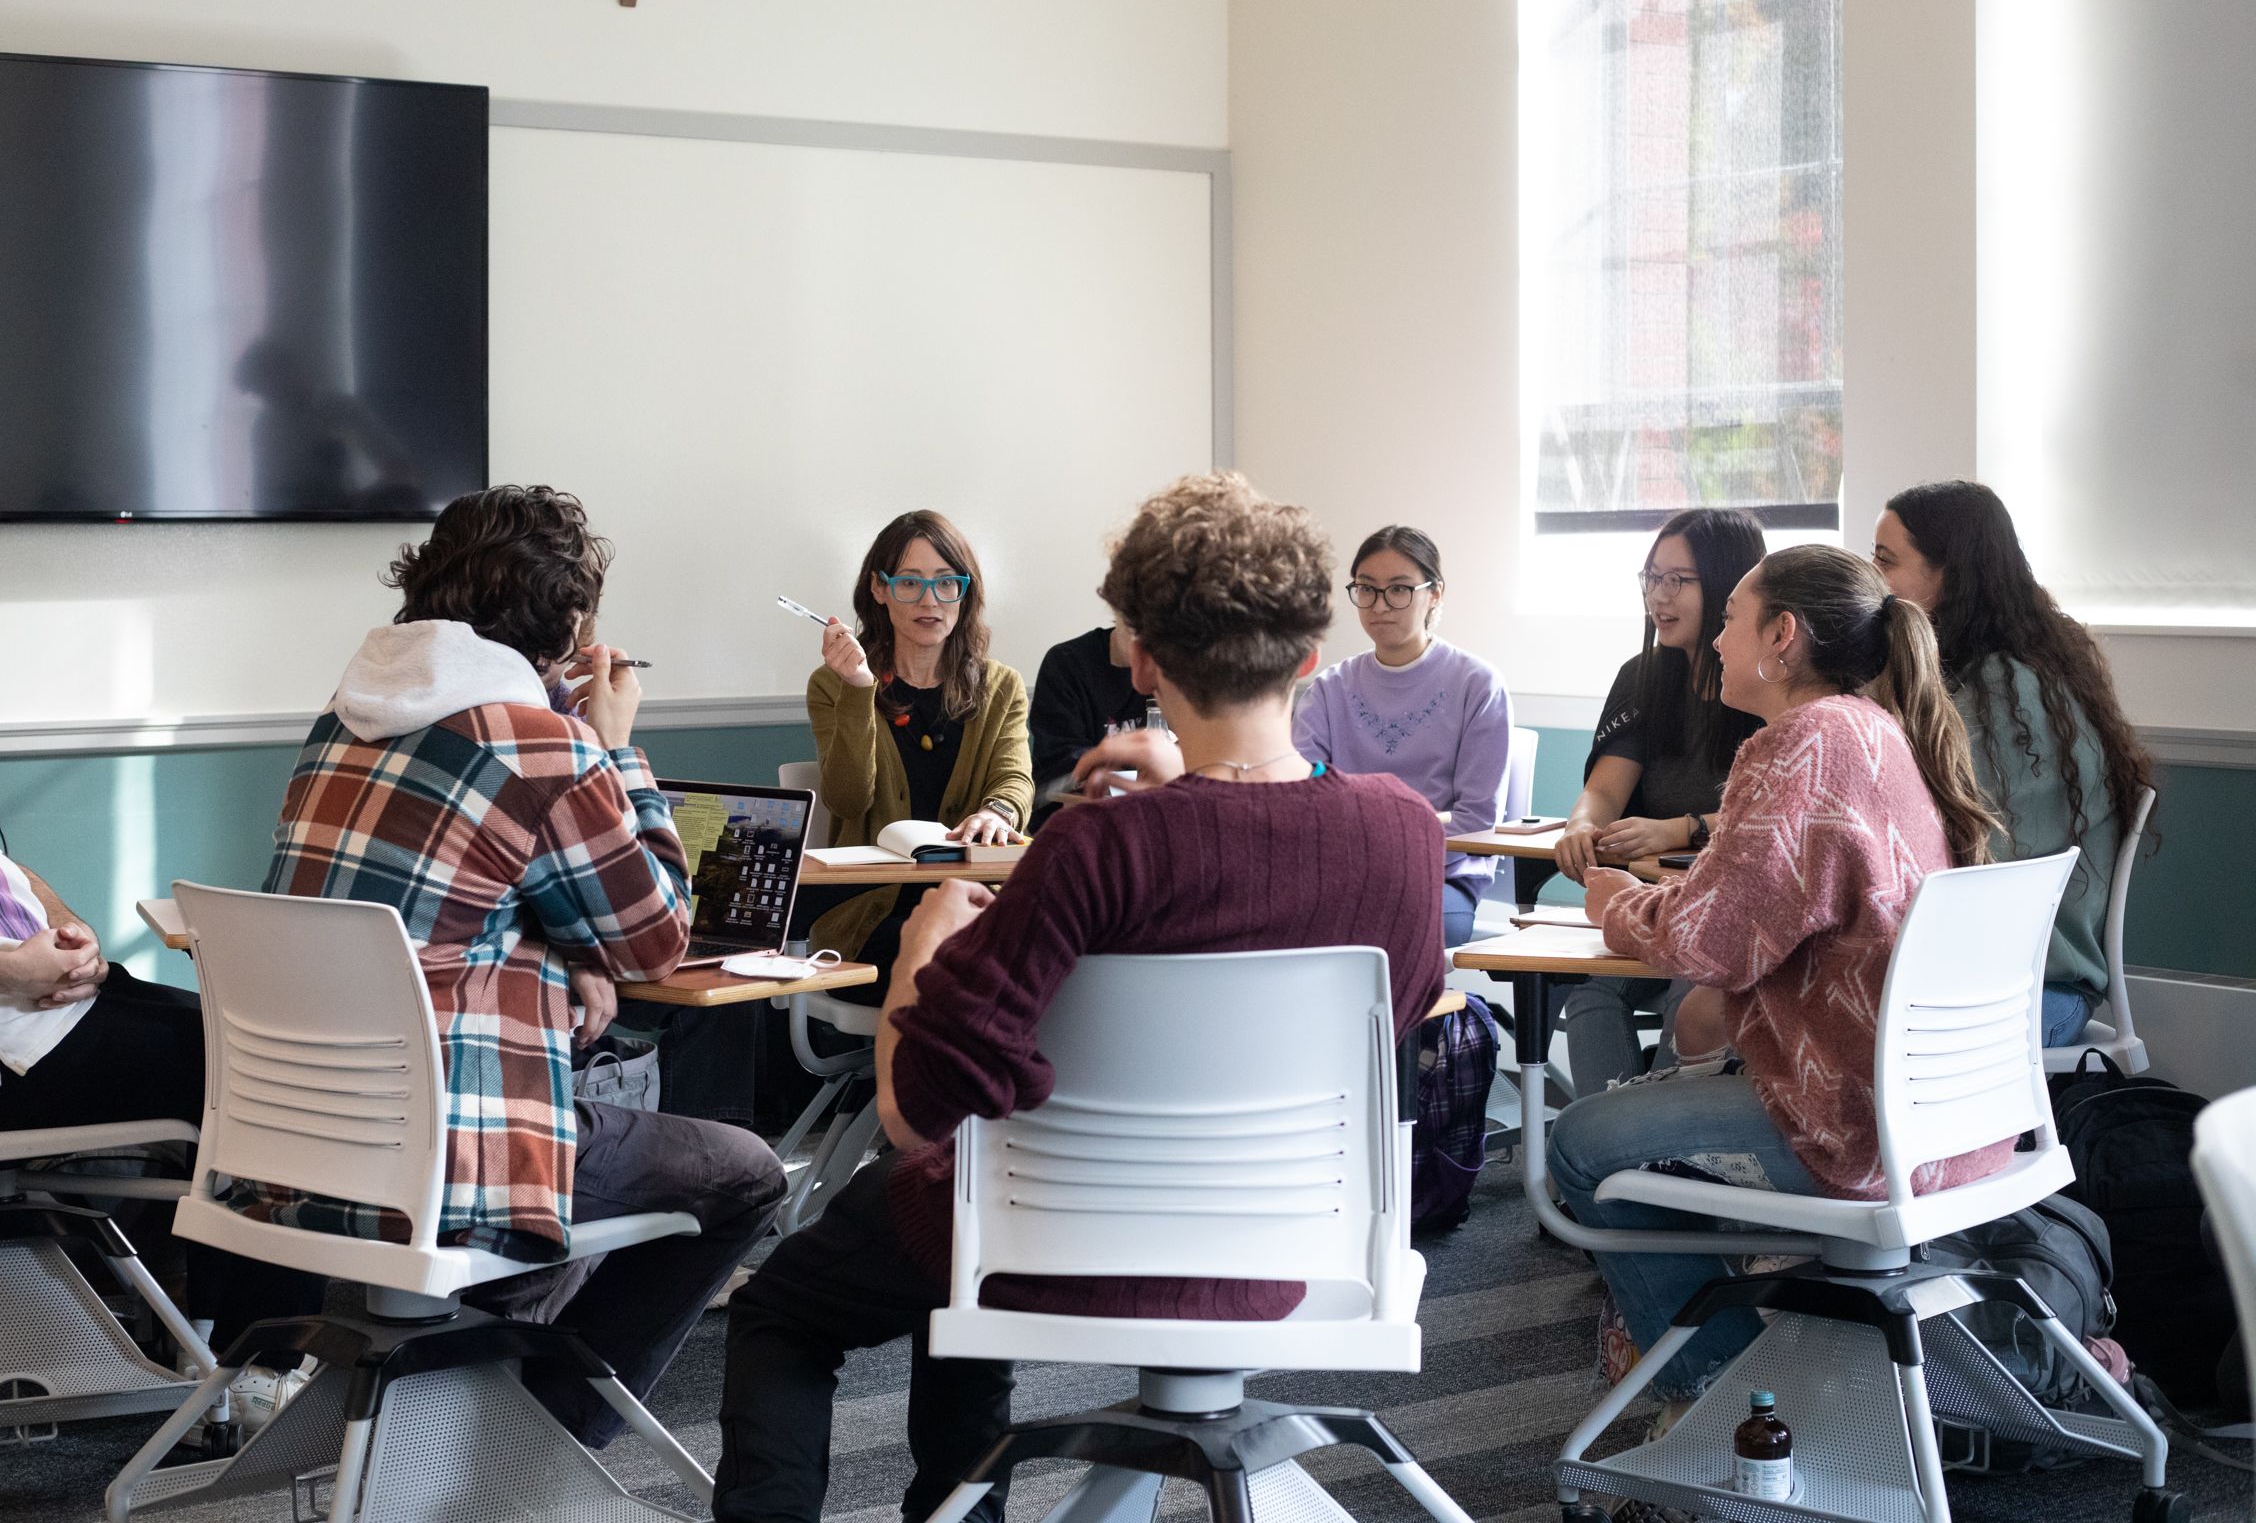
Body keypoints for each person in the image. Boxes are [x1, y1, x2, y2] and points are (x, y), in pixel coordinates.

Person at [712, 474, 1448, 1523]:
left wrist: (924, 950)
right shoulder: (1406, 832)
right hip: (1300, 1253)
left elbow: (920, 1106)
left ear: (1142, 656)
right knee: (955, 1220)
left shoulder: (1094, 847)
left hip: (1056, 1242)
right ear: (1309, 659)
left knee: (794, 1299)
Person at [264, 484, 785, 1448]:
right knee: (746, 1174)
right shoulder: (543, 747)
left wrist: (558, 947)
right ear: (571, 624)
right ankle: (544, 1434)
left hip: (304, 1142)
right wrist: (613, 748)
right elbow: (659, 938)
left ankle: (472, 1403)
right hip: (455, 1158)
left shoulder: (342, 719)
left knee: (580, 1139)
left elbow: (460, 895)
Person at [0, 464, 322, 1353]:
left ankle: (169, 1319)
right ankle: (258, 1353)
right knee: (272, 1071)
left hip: (12, 1024)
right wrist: (10, 967)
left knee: (223, 1026)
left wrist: (63, 932)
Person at [1548, 543, 2002, 1413]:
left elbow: (1712, 950)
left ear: (1783, 635)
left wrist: (1612, 900)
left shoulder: (1795, 748)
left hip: (1849, 1121)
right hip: (1942, 1112)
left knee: (1579, 1146)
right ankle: (1774, 1369)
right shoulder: (1873, 731)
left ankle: (1719, 1403)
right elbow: (1770, 908)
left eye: (1730, 620)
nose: (1716, 640)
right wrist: (1679, 893)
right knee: (1652, 1111)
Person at [1875, 481, 2156, 1046]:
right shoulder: (1994, 676)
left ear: (1949, 574)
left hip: (2030, 994)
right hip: (2001, 982)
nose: (1870, 581)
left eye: (1885, 561)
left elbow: (1952, 861)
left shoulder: (2005, 696)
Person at [1552, 508, 1767, 1090]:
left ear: (1730, 584)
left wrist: (1679, 828)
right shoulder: (1643, 674)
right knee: (1591, 989)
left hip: (1728, 905)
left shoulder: (1765, 683)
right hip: (1646, 897)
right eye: (1651, 578)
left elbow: (1774, 815)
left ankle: (1660, 1145)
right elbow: (1604, 788)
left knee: (1690, 991)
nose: (1659, 596)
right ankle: (1613, 1142)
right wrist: (1580, 825)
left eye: (1679, 580)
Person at [805, 511, 1032, 982]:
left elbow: (1014, 779)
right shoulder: (833, 684)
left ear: (965, 592)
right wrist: (859, 689)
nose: (930, 600)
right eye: (909, 583)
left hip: (971, 901)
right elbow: (847, 799)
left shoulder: (1002, 686)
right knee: (955, 963)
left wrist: (998, 812)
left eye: (947, 583)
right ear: (879, 589)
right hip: (873, 911)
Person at [1293, 524, 1511, 945]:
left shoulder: (1478, 685)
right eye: (1367, 589)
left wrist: (1379, 840)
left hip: (1441, 875)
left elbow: (1477, 820)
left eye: (1399, 589)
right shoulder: (1329, 688)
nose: (1380, 605)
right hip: (1345, 873)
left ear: (1435, 593)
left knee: (1391, 926)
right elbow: (1300, 800)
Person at [1023, 621, 1152, 830]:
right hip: (1067, 821)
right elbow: (1061, 762)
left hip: (1146, 819)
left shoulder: (1174, 669)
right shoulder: (1067, 663)